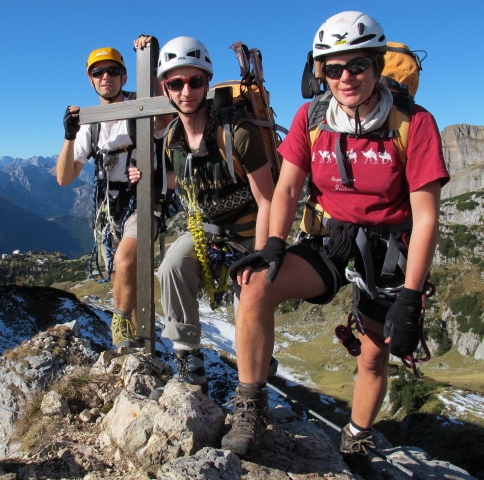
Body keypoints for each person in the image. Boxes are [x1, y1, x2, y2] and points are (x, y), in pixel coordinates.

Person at [221, 11, 449, 462]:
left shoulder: (414, 124)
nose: (345, 77)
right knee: (254, 288)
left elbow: (425, 218)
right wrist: (273, 245)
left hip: (388, 250)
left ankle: (358, 437)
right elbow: (287, 187)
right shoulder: (312, 117)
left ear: (377, 65)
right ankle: (250, 407)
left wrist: (409, 295)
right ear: (319, 71)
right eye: (332, 67)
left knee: (372, 355)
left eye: (358, 65)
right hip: (331, 237)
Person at [129, 36, 275, 394]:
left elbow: (268, 198)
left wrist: (259, 256)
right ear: (165, 88)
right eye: (176, 83)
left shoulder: (237, 134)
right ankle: (188, 362)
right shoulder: (172, 138)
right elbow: (188, 178)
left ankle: (256, 371)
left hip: (248, 231)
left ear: (208, 83)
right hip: (207, 232)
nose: (186, 91)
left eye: (195, 81)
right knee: (171, 267)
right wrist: (148, 176)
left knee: (252, 296)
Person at [57, 36, 168, 349]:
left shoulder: (143, 106)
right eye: (98, 72)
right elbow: (64, 177)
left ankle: (119, 328)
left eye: (112, 71)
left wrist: (151, 56)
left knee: (125, 262)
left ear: (124, 76)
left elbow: (167, 113)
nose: (105, 77)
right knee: (128, 275)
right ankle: (139, 350)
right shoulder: (89, 123)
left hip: (145, 199)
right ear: (91, 79)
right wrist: (68, 135)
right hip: (110, 209)